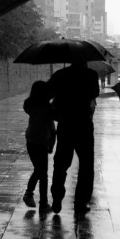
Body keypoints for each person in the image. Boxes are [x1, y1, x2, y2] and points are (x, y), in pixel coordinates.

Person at [46, 55, 100, 214]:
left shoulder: (60, 75)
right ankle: (81, 202)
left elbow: (47, 93)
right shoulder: (91, 75)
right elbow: (94, 94)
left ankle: (57, 197)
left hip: (66, 123)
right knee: (86, 164)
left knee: (61, 162)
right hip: (83, 123)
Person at [22, 80, 57, 211]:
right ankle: (36, 198)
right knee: (42, 173)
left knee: (39, 171)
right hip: (42, 143)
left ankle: (37, 199)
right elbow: (52, 127)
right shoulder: (47, 108)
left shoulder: (31, 106)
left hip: (31, 141)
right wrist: (52, 144)